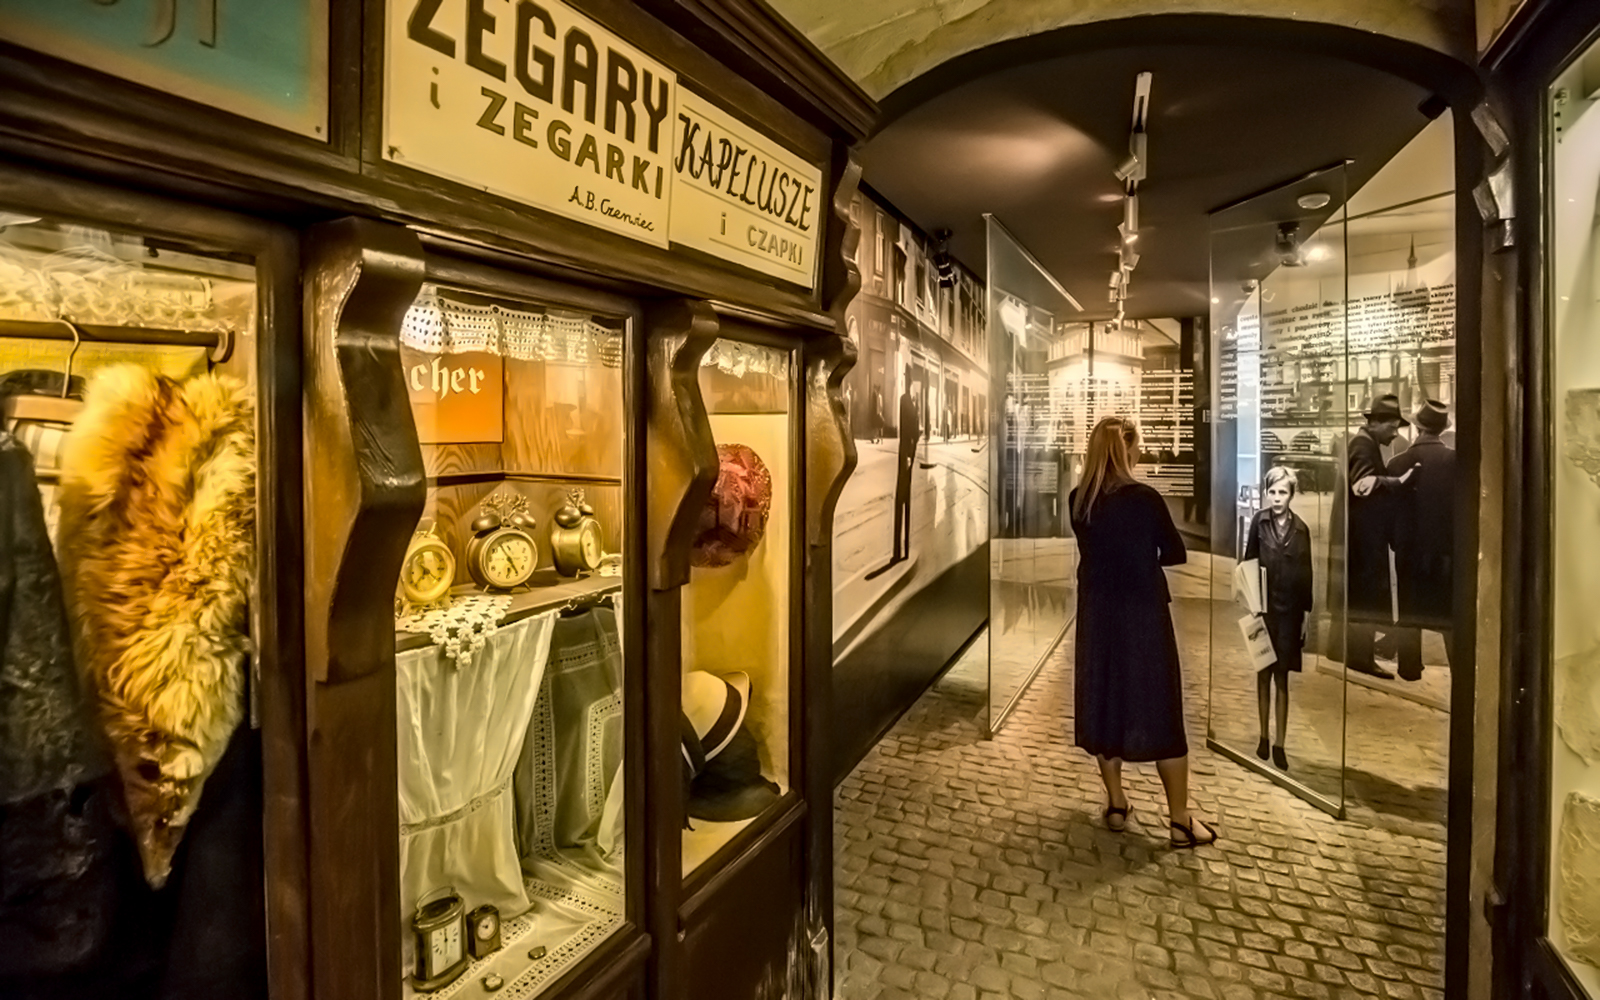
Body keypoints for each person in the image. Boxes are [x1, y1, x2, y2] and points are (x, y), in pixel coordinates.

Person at [1069, 416, 1216, 848]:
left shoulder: (1080, 499)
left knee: (1105, 700)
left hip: (1097, 614)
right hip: (1142, 615)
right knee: (1160, 707)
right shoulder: (1145, 498)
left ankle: (1116, 803)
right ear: (1128, 450)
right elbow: (1174, 552)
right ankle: (1180, 819)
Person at [1244, 466, 1313, 771]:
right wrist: (1251, 603)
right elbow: (1248, 562)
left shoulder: (1301, 530)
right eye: (1272, 491)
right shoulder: (1258, 523)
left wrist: (1306, 615)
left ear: (1291, 495)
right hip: (1264, 609)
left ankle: (1280, 743)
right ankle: (1262, 735)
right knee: (1263, 674)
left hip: (1289, 613)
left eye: (1282, 492)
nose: (1276, 498)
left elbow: (1306, 574)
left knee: (1282, 678)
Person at [1386, 399, 1456, 681]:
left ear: (1417, 428)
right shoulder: (1455, 461)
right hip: (1446, 551)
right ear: (1441, 430)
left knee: (1409, 609)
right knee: (1448, 615)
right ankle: (1458, 667)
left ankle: (1410, 667)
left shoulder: (1396, 463)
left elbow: (1389, 512)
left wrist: (1395, 540)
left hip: (1409, 550)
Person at [1344, 394, 1411, 679]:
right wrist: (1397, 482)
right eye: (1393, 426)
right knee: (1365, 596)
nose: (1395, 433)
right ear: (1377, 423)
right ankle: (1360, 658)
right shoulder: (1362, 444)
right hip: (1364, 539)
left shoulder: (1365, 442)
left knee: (1365, 596)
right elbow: (1360, 484)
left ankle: (1360, 656)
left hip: (1365, 537)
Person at [892, 367, 920, 561]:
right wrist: (909, 455)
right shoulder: (906, 401)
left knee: (904, 501)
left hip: (907, 455)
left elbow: (912, 431)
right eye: (908, 378)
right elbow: (909, 432)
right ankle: (900, 551)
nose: (909, 381)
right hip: (906, 456)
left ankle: (902, 551)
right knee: (902, 500)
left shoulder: (908, 401)